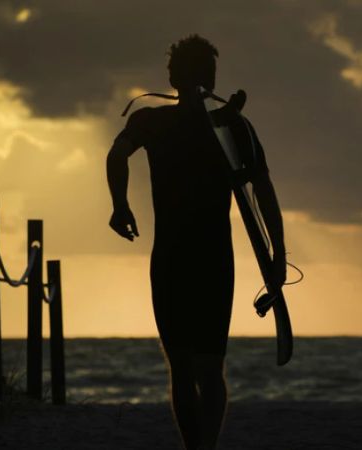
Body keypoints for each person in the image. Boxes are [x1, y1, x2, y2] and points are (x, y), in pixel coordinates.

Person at [106, 34, 286, 450]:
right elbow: (263, 189)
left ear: (171, 78)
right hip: (212, 260)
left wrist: (119, 205)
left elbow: (116, 156)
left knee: (183, 371)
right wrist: (277, 255)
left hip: (170, 258)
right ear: (211, 77)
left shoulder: (153, 122)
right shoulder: (231, 124)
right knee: (209, 370)